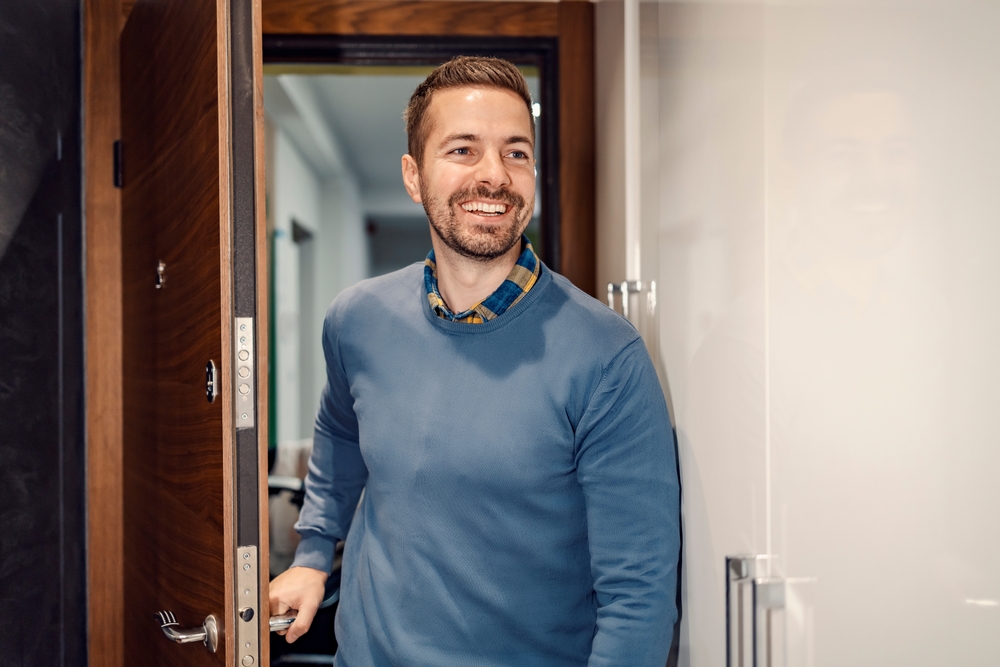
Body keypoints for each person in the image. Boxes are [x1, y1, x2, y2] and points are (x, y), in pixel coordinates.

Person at [268, 56, 680, 667]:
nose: (495, 176)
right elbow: (339, 432)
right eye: (463, 150)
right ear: (413, 175)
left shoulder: (606, 357)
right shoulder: (356, 320)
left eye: (516, 153)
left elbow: (639, 596)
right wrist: (310, 555)